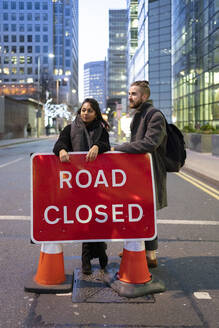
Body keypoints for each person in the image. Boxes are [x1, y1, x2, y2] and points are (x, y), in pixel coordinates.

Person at [111, 80, 167, 268]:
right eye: (129, 93)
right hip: (139, 172)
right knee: (138, 211)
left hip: (150, 171)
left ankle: (150, 254)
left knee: (146, 211)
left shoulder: (154, 115)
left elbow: (150, 143)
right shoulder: (140, 115)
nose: (130, 97)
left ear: (145, 96)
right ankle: (137, 248)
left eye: (134, 94)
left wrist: (119, 148)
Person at [53, 98, 110, 275]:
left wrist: (97, 146)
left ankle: (96, 252)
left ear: (96, 113)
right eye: (83, 110)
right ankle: (92, 256)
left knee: (97, 219)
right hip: (78, 182)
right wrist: (62, 150)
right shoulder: (70, 128)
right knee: (85, 219)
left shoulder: (101, 129)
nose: (85, 113)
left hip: (97, 182)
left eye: (89, 111)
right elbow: (59, 144)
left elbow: (106, 146)